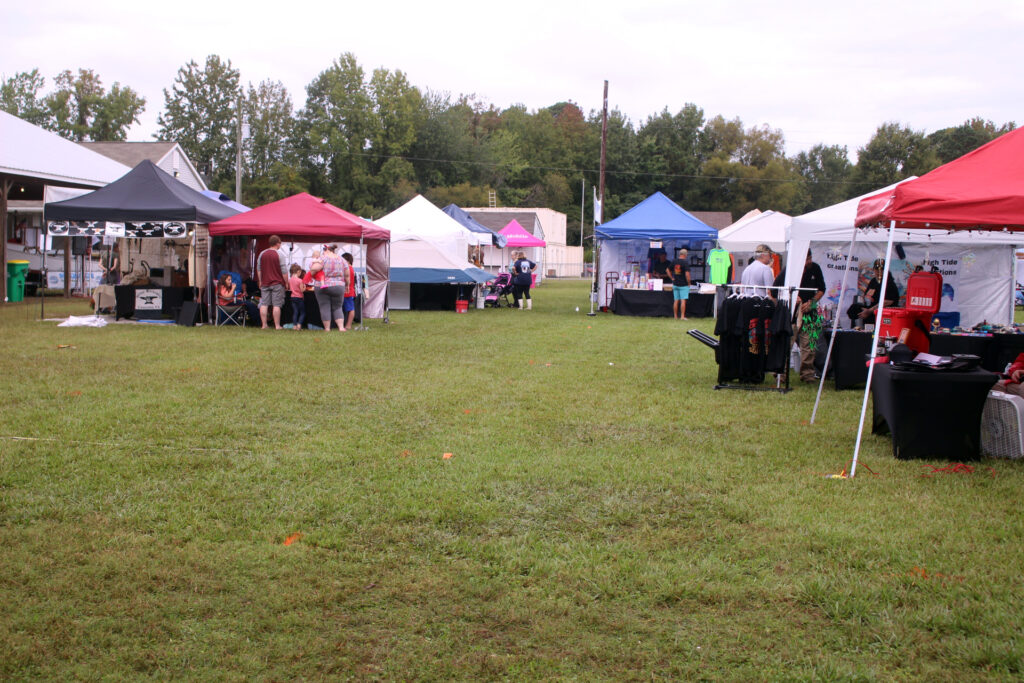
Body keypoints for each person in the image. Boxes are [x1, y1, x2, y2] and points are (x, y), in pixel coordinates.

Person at [795, 249, 827, 382]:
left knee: (810, 345)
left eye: (810, 258)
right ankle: (781, 374)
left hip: (810, 310)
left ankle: (807, 374)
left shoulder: (815, 268)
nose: (808, 262)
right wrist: (794, 297)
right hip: (794, 311)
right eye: (806, 259)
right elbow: (777, 288)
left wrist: (812, 302)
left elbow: (822, 289)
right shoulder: (791, 269)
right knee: (788, 341)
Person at [848, 259, 900, 326]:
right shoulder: (873, 281)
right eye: (877, 269)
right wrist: (863, 308)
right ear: (873, 269)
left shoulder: (889, 283)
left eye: (882, 269)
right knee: (853, 309)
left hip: (882, 317)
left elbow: (888, 301)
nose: (879, 271)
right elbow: (866, 294)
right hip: (870, 313)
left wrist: (870, 311)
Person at [311, 244, 349, 331]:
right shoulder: (342, 260)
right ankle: (341, 327)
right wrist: (347, 285)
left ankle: (327, 328)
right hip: (339, 286)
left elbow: (314, 269)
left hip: (322, 285)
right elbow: (347, 275)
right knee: (338, 307)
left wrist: (313, 276)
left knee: (324, 306)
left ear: (325, 250)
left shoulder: (323, 258)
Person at [257, 235, 287, 330]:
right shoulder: (280, 254)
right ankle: (277, 326)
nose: (280, 245)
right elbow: (284, 270)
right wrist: (286, 282)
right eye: (280, 243)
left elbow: (259, 269)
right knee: (276, 305)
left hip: (265, 282)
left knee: (264, 304)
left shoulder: (262, 253)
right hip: (277, 283)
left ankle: (264, 325)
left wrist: (260, 281)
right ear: (277, 243)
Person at [669, 248, 692, 320]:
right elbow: (687, 274)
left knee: (676, 300)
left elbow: (667, 270)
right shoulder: (685, 263)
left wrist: (672, 278)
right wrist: (689, 283)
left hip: (675, 284)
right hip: (683, 284)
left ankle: (675, 316)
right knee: (683, 301)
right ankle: (682, 316)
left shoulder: (674, 261)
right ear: (685, 255)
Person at [341, 252, 357, 330]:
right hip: (349, 291)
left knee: (350, 309)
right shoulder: (350, 268)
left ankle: (348, 325)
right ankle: (347, 324)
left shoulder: (348, 269)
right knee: (349, 308)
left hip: (348, 292)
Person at [288, 264, 306, 331]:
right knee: (302, 312)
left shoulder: (290, 280)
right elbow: (302, 290)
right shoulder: (300, 280)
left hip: (292, 297)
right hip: (299, 297)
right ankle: (299, 325)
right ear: (298, 271)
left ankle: (294, 326)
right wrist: (305, 287)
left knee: (295, 312)